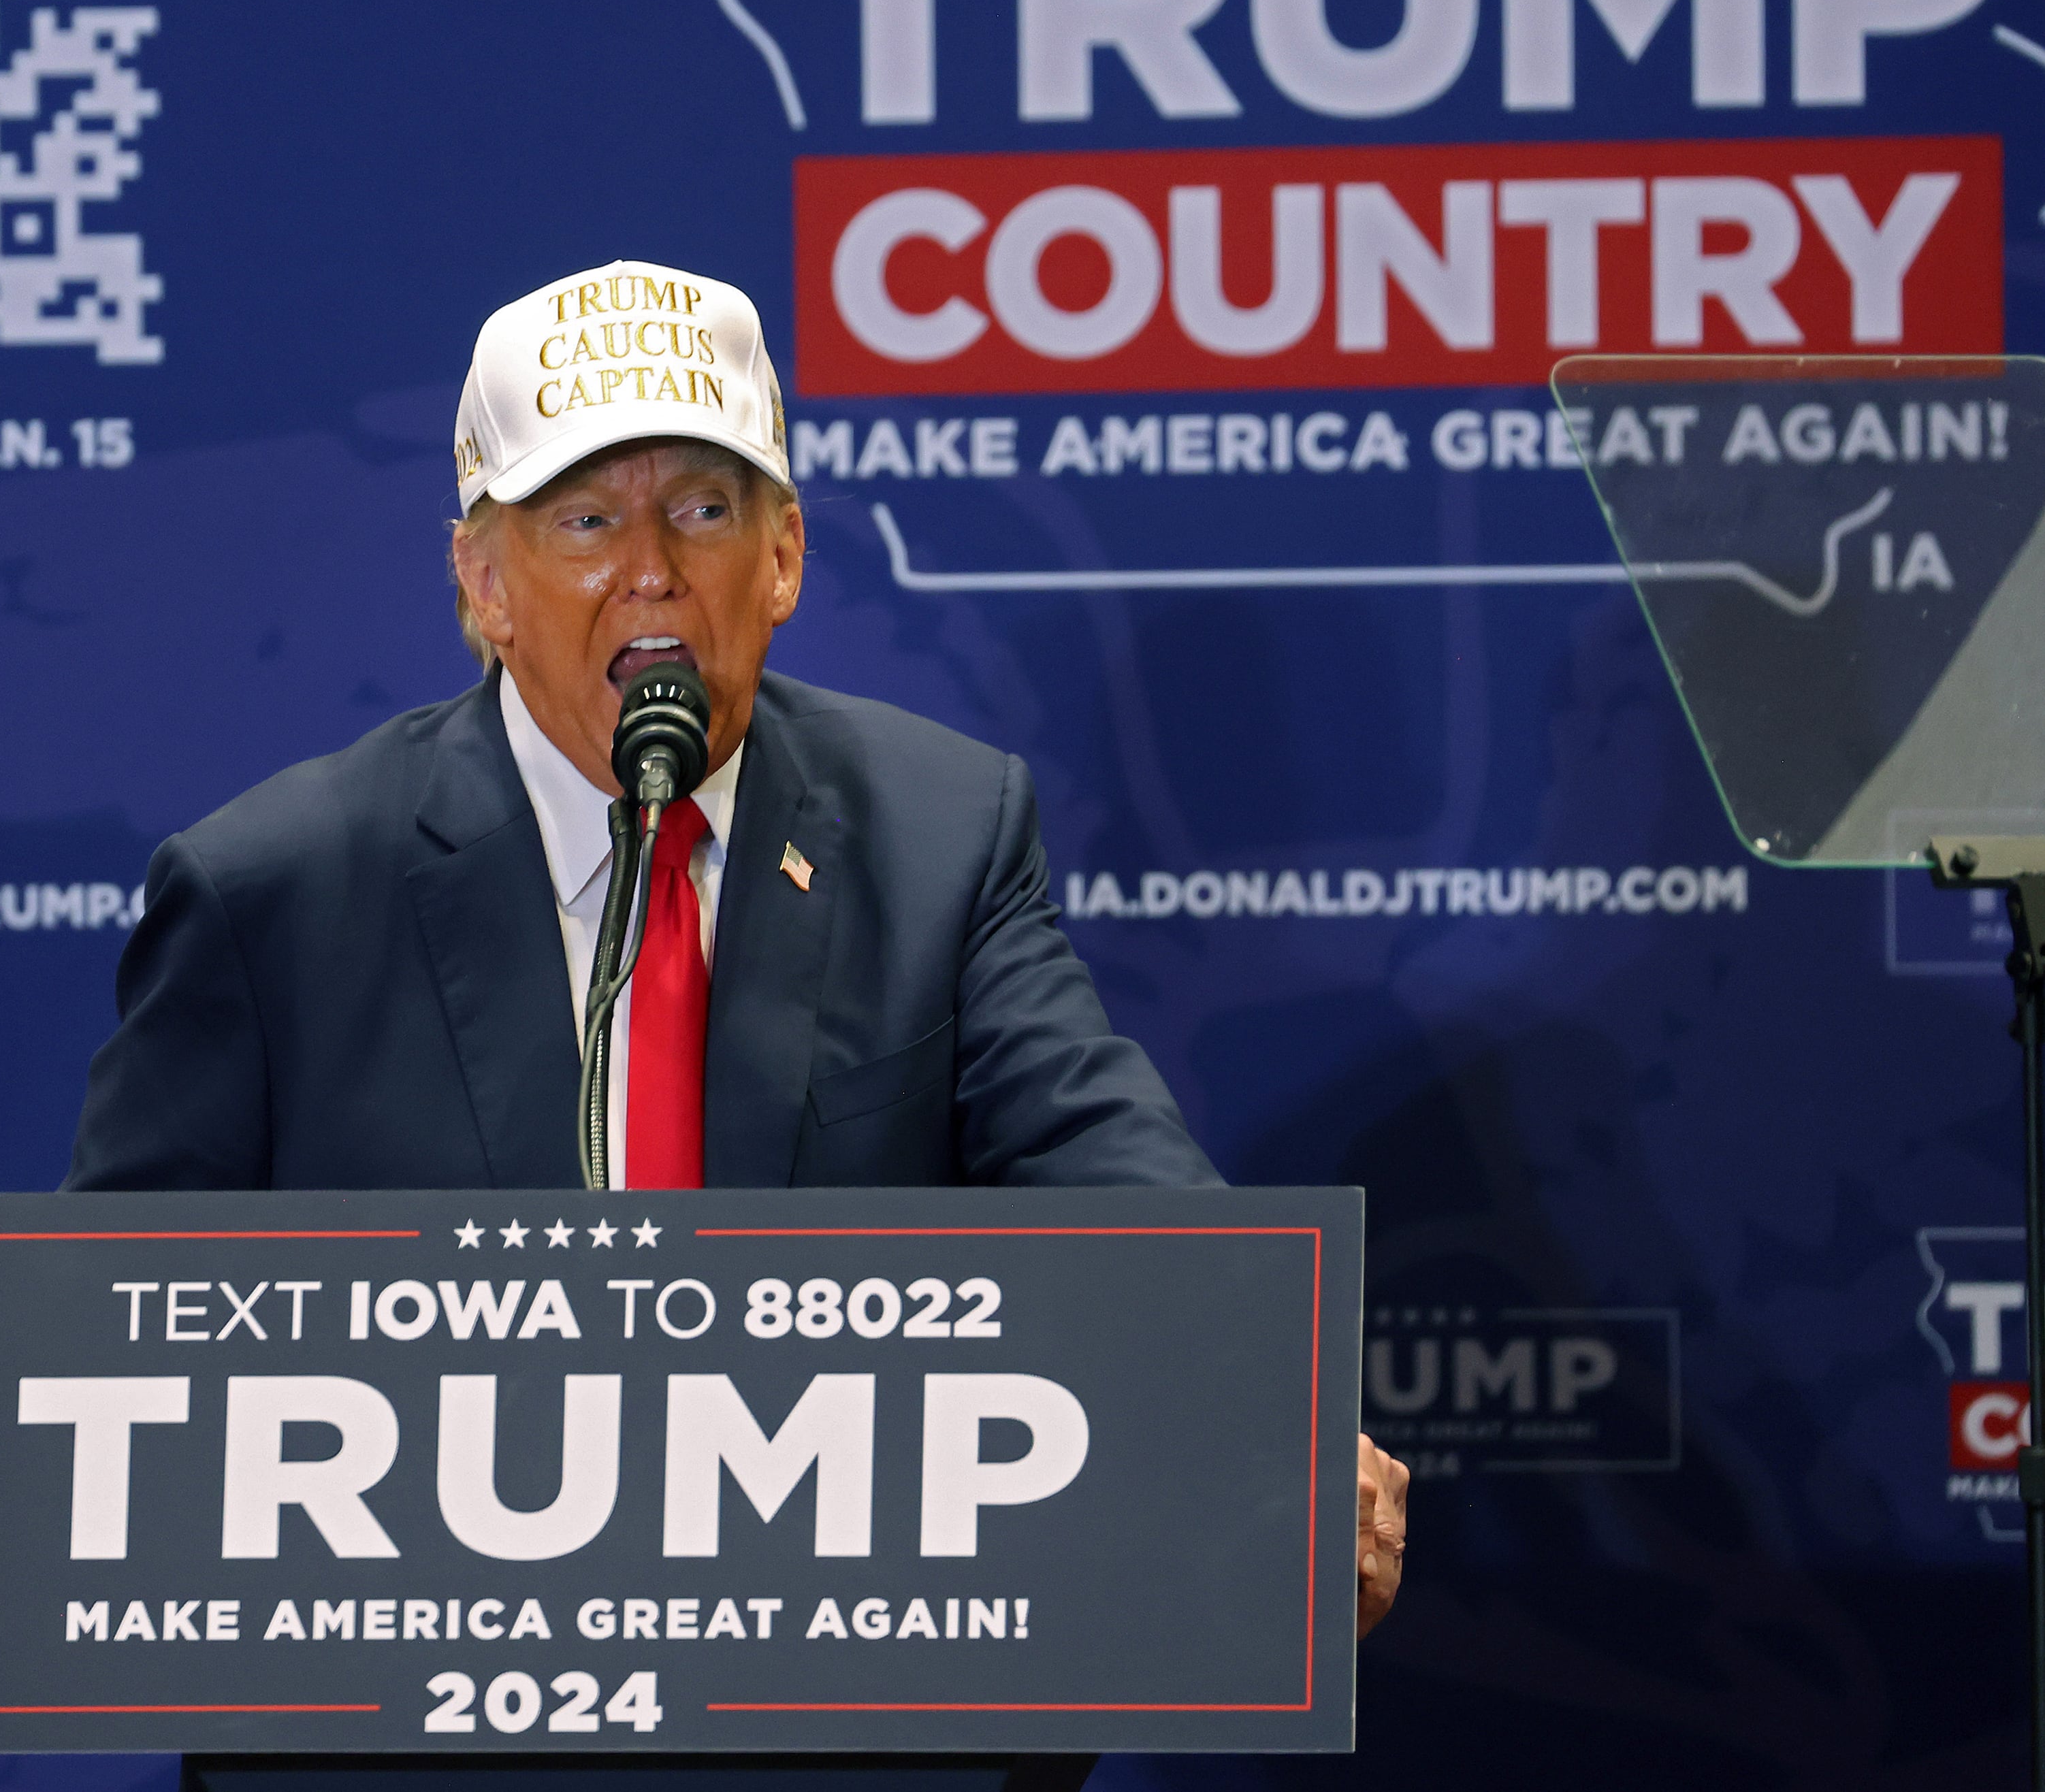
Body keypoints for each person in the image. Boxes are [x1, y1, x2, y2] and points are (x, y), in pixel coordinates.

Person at [69, 261, 1408, 1788]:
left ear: (783, 558)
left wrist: (1256, 1411)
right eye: (584, 520)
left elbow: (1104, 1159)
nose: (651, 569)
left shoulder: (941, 829)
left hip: (844, 1741)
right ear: (484, 585)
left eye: (703, 511)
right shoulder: (275, 892)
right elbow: (111, 1335)